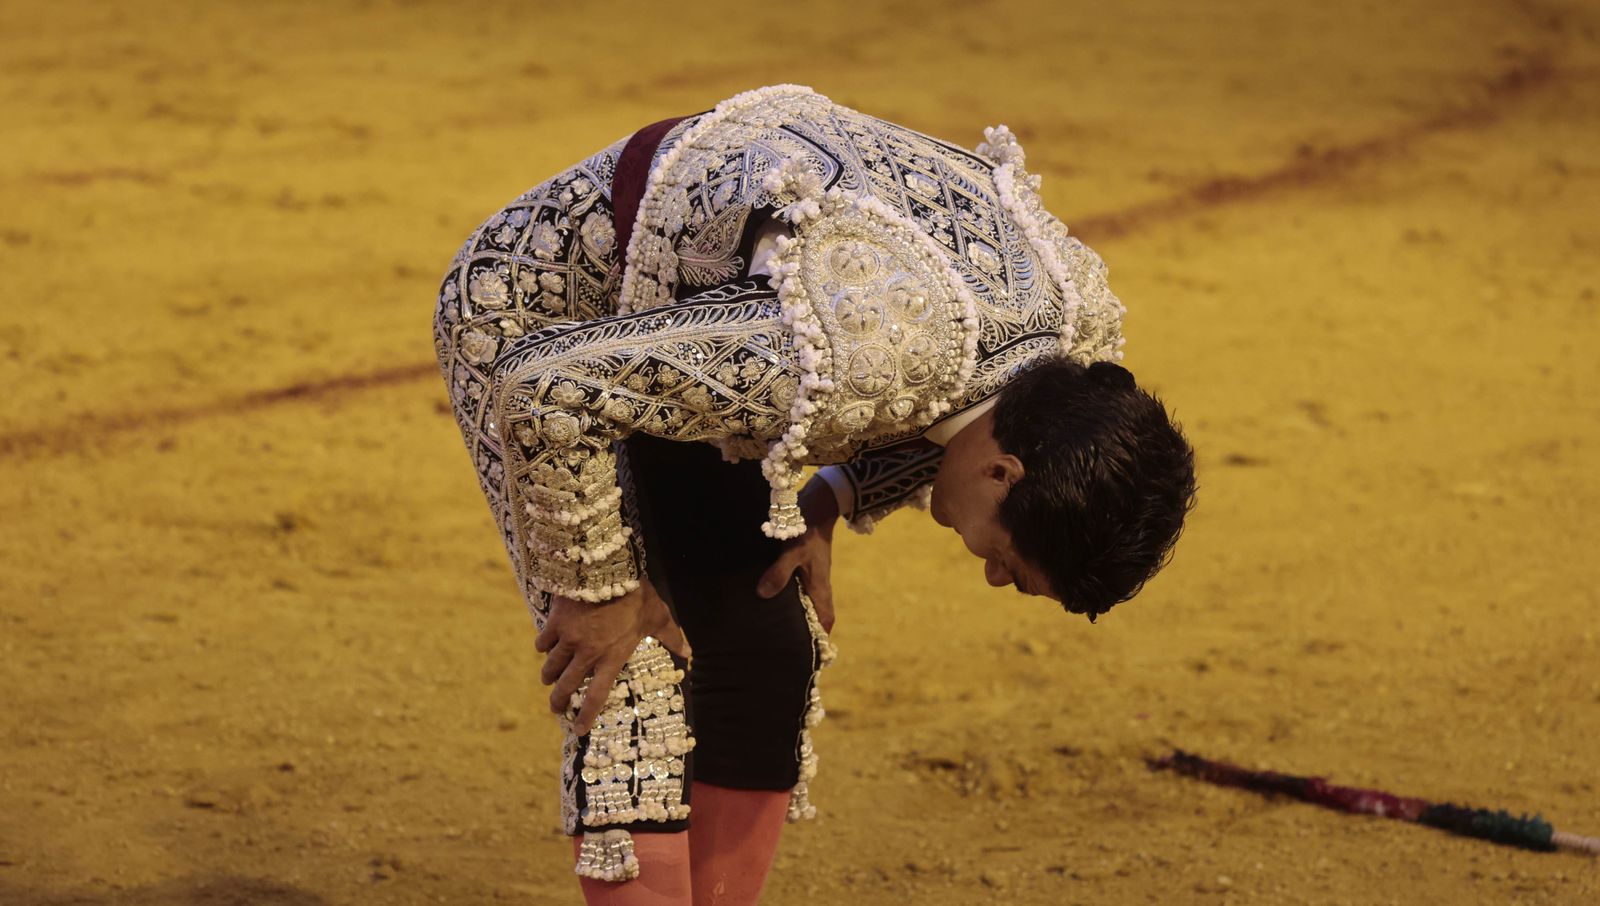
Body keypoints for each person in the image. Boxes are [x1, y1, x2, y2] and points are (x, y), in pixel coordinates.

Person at [432, 84, 1196, 904]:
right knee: (631, 676)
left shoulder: (1065, 352)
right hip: (540, 318)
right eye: (1011, 561)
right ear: (1005, 475)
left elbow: (949, 404)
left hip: (708, 338)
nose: (991, 575)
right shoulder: (857, 346)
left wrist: (827, 499)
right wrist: (599, 592)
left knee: (766, 654)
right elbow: (544, 392)